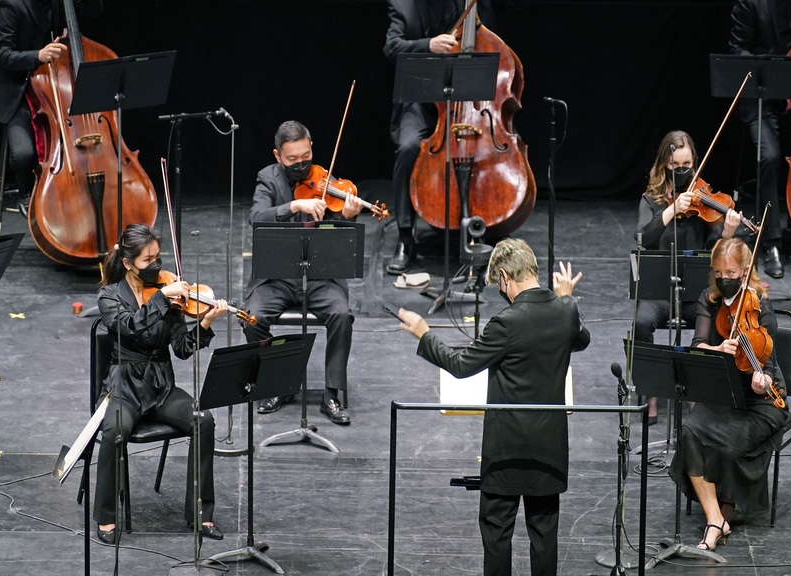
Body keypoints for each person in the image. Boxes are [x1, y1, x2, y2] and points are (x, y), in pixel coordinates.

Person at [398, 238, 590, 576]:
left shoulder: (506, 323)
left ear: (504, 276)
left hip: (507, 452)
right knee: (544, 537)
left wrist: (425, 334)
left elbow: (460, 365)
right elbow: (581, 338)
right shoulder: (566, 310)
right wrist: (566, 297)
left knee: (497, 534)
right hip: (550, 451)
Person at [95, 224, 228, 544]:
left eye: (158, 257)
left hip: (161, 388)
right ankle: (107, 517)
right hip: (124, 388)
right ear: (128, 263)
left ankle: (200, 513)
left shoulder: (167, 292)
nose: (156, 266)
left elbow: (182, 349)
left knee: (203, 420)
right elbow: (128, 326)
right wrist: (161, 299)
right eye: (147, 260)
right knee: (114, 430)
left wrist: (205, 324)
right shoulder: (110, 296)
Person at [669, 237, 791, 550]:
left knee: (727, 447)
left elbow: (765, 358)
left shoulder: (759, 304)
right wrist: (717, 349)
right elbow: (697, 344)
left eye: (731, 273)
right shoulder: (708, 300)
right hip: (724, 393)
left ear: (744, 271)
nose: (725, 279)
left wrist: (759, 378)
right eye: (719, 273)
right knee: (689, 432)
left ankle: (722, 513)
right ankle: (716, 518)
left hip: (761, 398)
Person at [244, 120, 363, 425]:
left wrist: (345, 215)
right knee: (251, 318)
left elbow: (339, 231)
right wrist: (295, 205)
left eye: (305, 157)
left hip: (321, 276)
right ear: (277, 155)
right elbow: (257, 218)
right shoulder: (267, 179)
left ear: (311, 148)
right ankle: (278, 383)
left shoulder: (324, 178)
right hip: (278, 277)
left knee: (341, 315)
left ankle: (332, 394)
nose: (301, 166)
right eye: (292, 160)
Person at [635, 130, 741, 423]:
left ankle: (699, 392)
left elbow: (716, 252)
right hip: (659, 293)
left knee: (715, 321)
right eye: (676, 166)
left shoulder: (702, 200)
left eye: (687, 165)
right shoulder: (651, 199)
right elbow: (643, 238)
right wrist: (670, 210)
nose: (682, 172)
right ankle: (651, 392)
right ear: (665, 165)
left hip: (694, 292)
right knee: (642, 322)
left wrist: (728, 232)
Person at [382, 0, 495, 274]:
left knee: (478, 149)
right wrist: (427, 45)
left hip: (465, 102)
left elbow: (489, 44)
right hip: (419, 102)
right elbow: (391, 47)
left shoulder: (471, 2)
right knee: (408, 147)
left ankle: (472, 227)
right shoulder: (403, 5)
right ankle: (406, 237)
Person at [0, 0, 103, 218]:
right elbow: (0, 54)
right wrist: (37, 56)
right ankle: (27, 191)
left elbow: (94, 10)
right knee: (23, 155)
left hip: (56, 88)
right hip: (21, 90)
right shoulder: (12, 5)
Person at [729, 0, 791, 278]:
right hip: (763, 98)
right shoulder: (749, 3)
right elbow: (737, 48)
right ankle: (773, 244)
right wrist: (768, 67)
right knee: (769, 156)